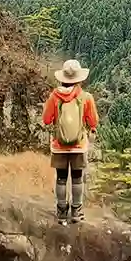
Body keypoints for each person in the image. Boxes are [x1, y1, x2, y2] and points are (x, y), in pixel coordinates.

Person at [41, 59, 99, 224]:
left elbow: (46, 119)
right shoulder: (86, 97)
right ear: (79, 79)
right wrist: (91, 127)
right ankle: (76, 211)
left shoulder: (54, 97)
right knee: (77, 177)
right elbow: (93, 120)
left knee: (61, 177)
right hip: (79, 146)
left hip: (59, 146)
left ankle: (61, 211)